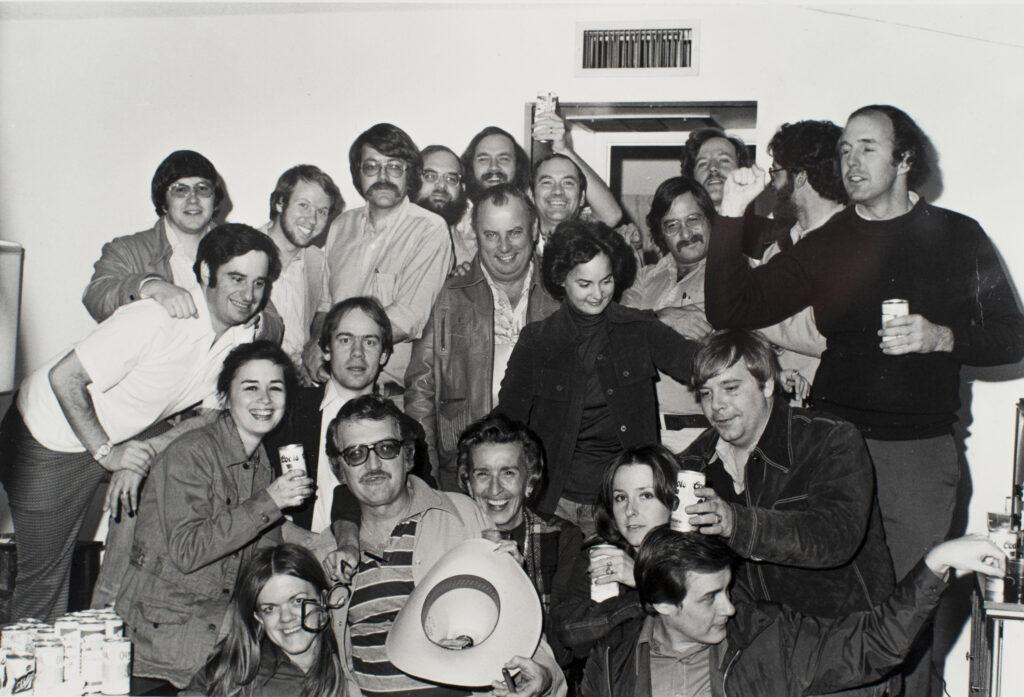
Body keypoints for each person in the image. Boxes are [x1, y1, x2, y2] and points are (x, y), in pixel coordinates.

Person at [705, 105, 1024, 582]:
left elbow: (1013, 336)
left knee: (909, 611)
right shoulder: (828, 243)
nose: (851, 162)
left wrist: (943, 337)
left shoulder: (959, 235)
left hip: (915, 455)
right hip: (833, 445)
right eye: (845, 151)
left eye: (868, 148)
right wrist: (731, 214)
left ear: (905, 159)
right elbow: (731, 310)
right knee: (832, 602)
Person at [0, 223, 281, 622]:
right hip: (47, 437)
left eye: (258, 282)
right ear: (206, 274)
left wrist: (144, 454)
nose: (249, 295)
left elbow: (211, 413)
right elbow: (63, 379)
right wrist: (109, 455)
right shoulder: (155, 319)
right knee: (43, 581)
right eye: (236, 278)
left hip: (120, 431)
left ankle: (118, 621)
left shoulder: (239, 338)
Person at [323, 394, 566, 696]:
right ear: (340, 469)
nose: (373, 464)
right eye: (356, 454)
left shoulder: (465, 516)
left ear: (407, 456)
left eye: (386, 448)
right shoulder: (328, 551)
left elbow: (519, 620)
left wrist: (543, 675)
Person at [579, 528, 1005, 697]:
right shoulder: (610, 661)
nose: (729, 607)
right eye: (710, 598)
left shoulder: (768, 635)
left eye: (728, 589)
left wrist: (938, 563)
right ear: (662, 605)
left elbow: (873, 645)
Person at [114, 341, 314, 688]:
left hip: (216, 643)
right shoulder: (190, 454)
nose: (264, 400)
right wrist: (270, 501)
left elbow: (263, 553)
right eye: (250, 387)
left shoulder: (262, 464)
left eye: (275, 388)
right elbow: (188, 550)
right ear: (225, 396)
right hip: (159, 650)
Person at [495, 220, 699, 537]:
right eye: (585, 284)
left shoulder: (639, 329)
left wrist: (753, 363)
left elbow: (700, 366)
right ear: (561, 279)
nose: (598, 294)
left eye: (606, 281)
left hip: (625, 504)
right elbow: (506, 421)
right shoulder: (536, 341)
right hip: (554, 503)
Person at [678, 330, 895, 620]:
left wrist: (735, 523)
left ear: (767, 384)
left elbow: (835, 536)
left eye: (730, 388)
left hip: (844, 632)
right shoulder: (693, 462)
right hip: (755, 637)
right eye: (706, 393)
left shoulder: (830, 439)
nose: (716, 405)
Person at [405, 184, 559, 487]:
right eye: (491, 235)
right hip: (465, 470)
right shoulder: (449, 296)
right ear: (476, 235)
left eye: (514, 232)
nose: (504, 247)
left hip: (546, 470)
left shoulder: (561, 294)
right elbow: (421, 390)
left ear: (534, 228)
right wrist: (428, 478)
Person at [302, 124, 453, 398]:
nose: (383, 177)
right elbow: (326, 306)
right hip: (332, 392)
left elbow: (407, 318)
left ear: (410, 174)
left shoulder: (430, 229)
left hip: (389, 398)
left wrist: (331, 348)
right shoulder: (340, 226)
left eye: (394, 167)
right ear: (357, 174)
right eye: (371, 167)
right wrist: (315, 341)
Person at [455, 414, 589, 666]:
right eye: (483, 474)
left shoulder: (562, 538)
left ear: (529, 481)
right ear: (469, 484)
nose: (495, 490)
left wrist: (519, 583)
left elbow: (565, 650)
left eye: (508, 473)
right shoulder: (451, 536)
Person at [266, 297, 393, 535]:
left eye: (370, 342)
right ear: (326, 350)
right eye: (345, 340)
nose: (357, 353)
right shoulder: (289, 411)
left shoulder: (403, 428)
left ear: (384, 355)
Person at [552, 445, 677, 659]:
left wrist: (641, 579)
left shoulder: (694, 554)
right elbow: (569, 634)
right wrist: (641, 602)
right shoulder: (600, 553)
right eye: (621, 497)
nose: (630, 510)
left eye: (645, 495)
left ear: (672, 501)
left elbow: (696, 619)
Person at [621, 176, 715, 451]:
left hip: (698, 436)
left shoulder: (729, 276)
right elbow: (616, 330)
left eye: (693, 220)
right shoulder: (646, 276)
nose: (685, 233)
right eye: (672, 225)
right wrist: (662, 317)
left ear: (711, 221)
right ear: (660, 234)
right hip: (639, 435)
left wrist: (644, 323)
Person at [752, 120, 848, 389]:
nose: (772, 183)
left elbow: (829, 333)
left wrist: (747, 314)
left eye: (777, 172)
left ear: (801, 176)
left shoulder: (851, 241)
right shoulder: (776, 248)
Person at [184, 543, 348, 697]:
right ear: (258, 616)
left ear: (322, 598)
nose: (286, 617)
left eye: (297, 601)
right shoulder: (237, 669)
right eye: (270, 609)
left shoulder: (347, 660)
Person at [262, 165, 344, 369]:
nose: (312, 219)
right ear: (280, 203)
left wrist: (313, 345)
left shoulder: (319, 261)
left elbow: (323, 309)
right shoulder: (244, 252)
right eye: (303, 205)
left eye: (322, 211)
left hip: (300, 384)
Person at [414, 144, 473, 264]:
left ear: (462, 188)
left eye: (451, 179)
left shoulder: (475, 256)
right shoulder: (387, 242)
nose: (441, 185)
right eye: (430, 176)